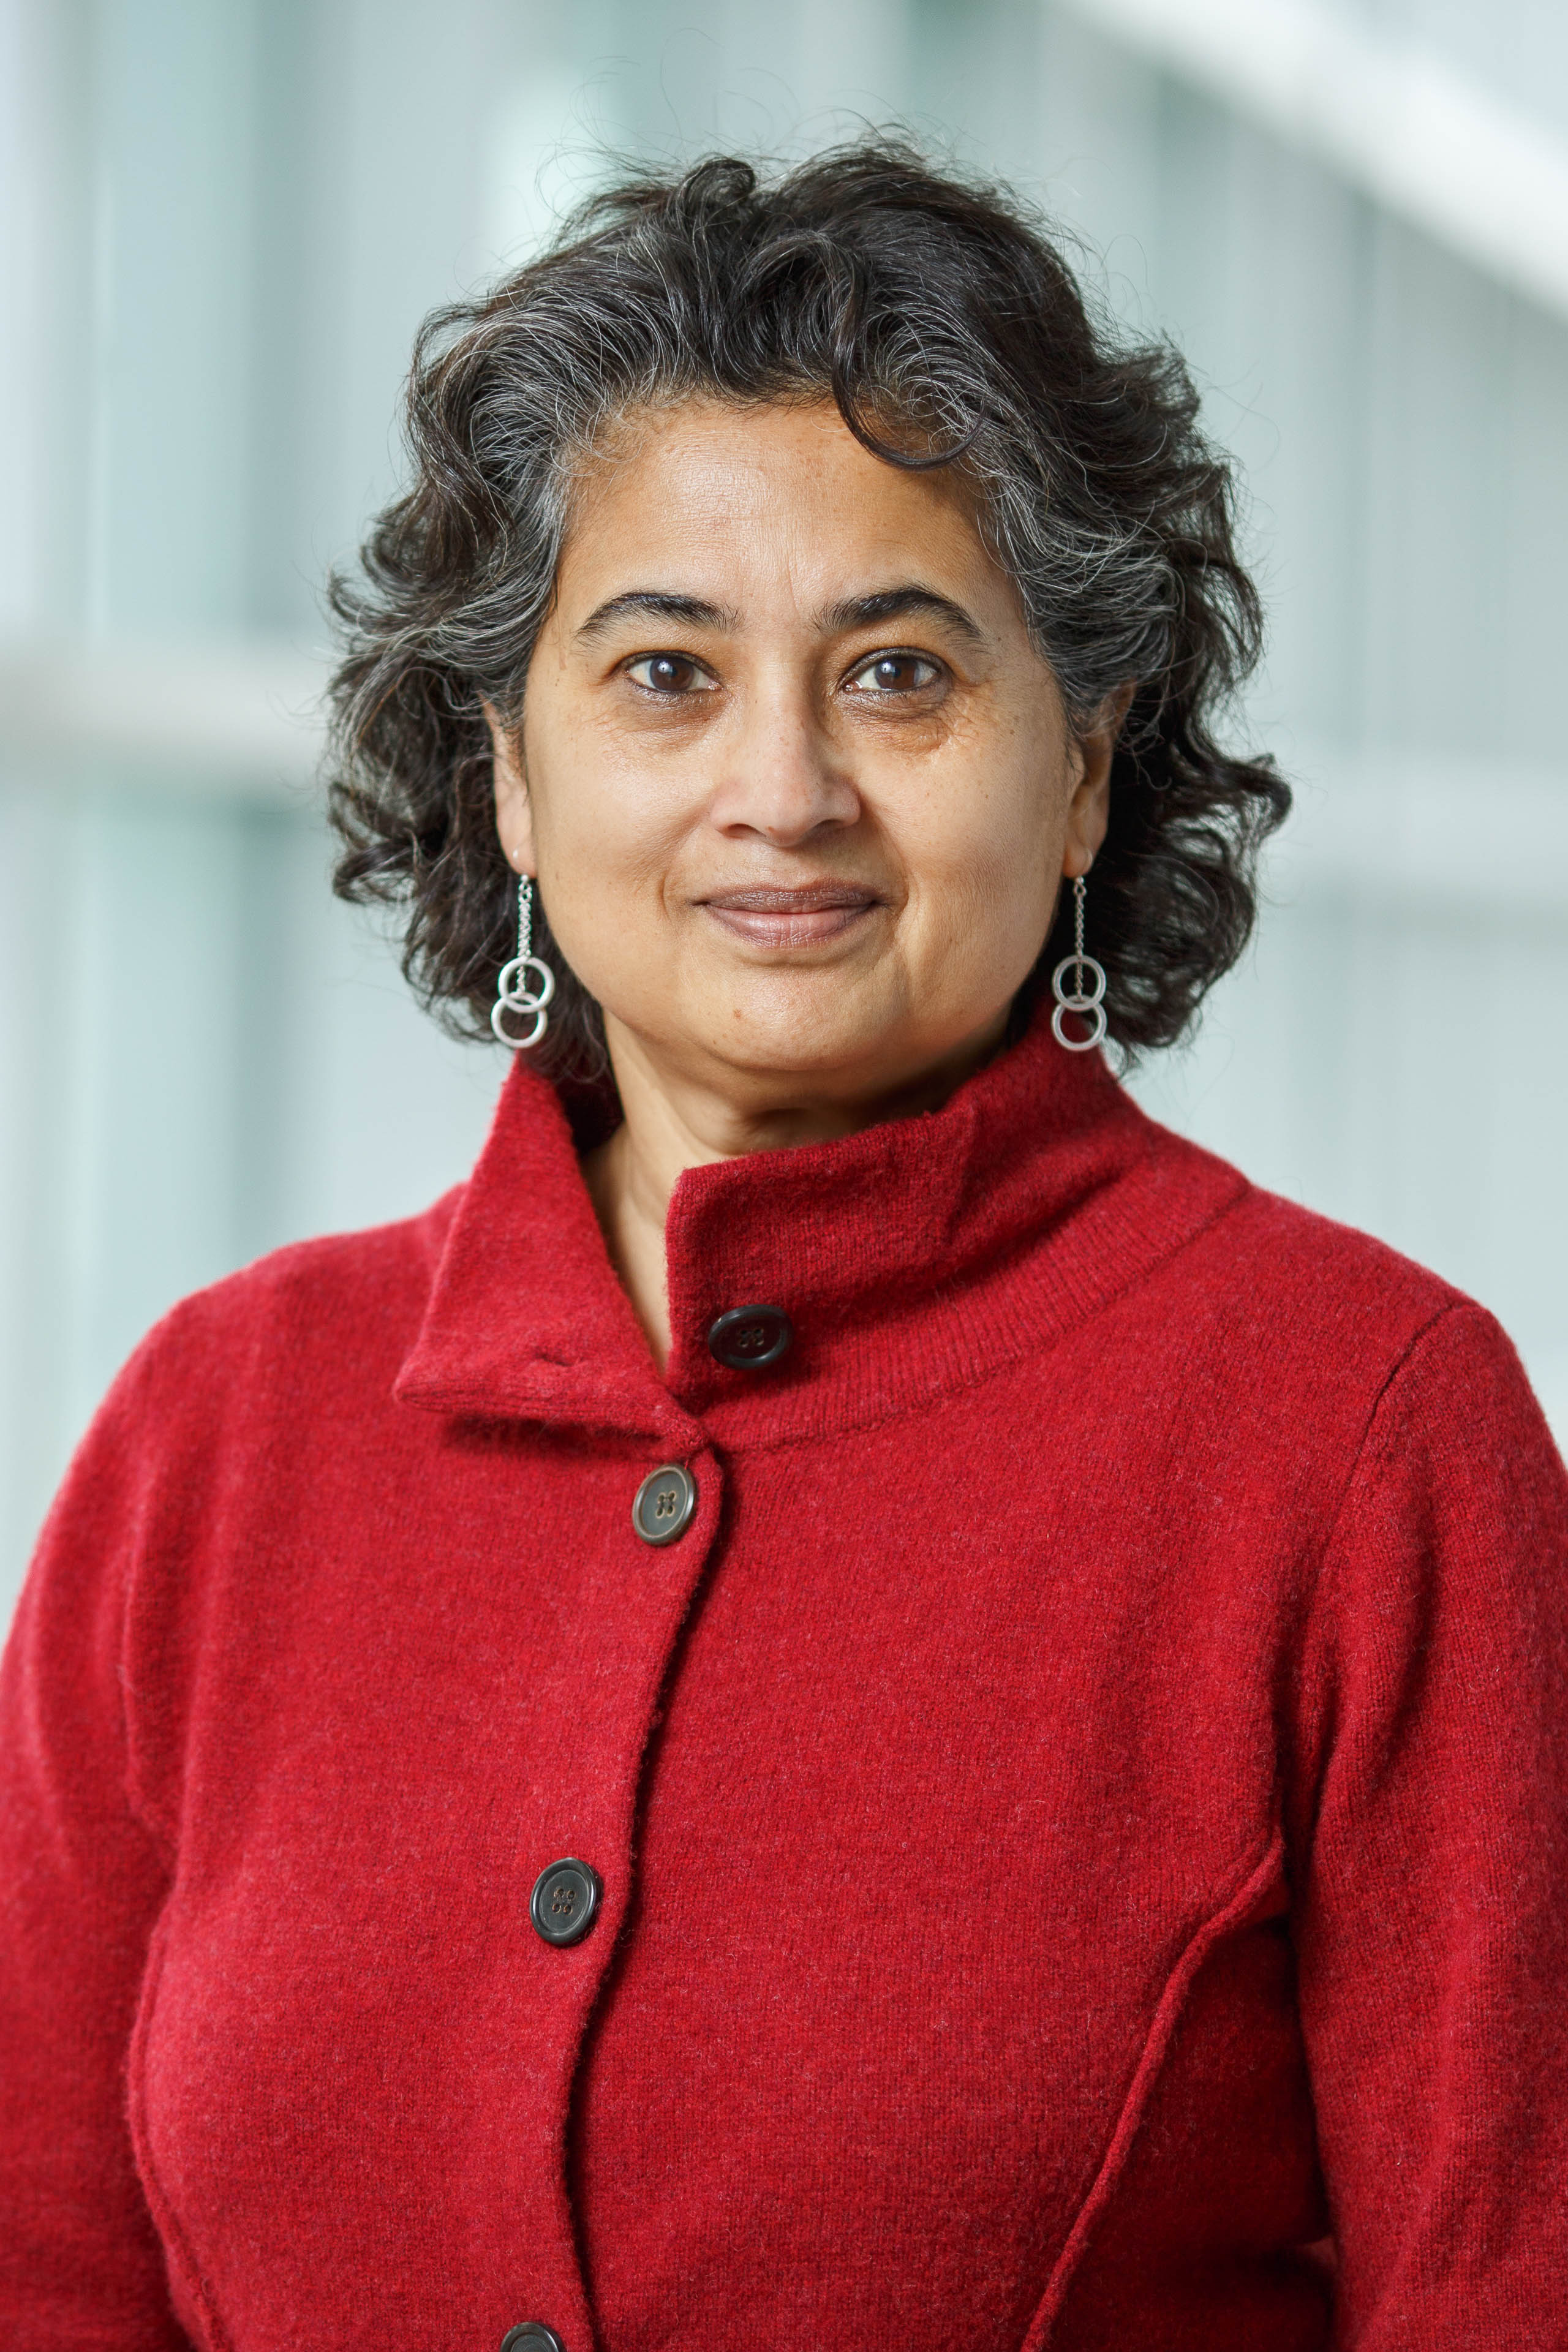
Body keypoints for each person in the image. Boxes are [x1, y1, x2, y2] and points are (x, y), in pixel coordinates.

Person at [1, 142, 1564, 2352]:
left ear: (1091, 762)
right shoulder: (216, 1429)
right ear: (513, 780)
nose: (786, 789)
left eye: (902, 673)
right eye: (662, 674)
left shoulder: (1363, 1434)